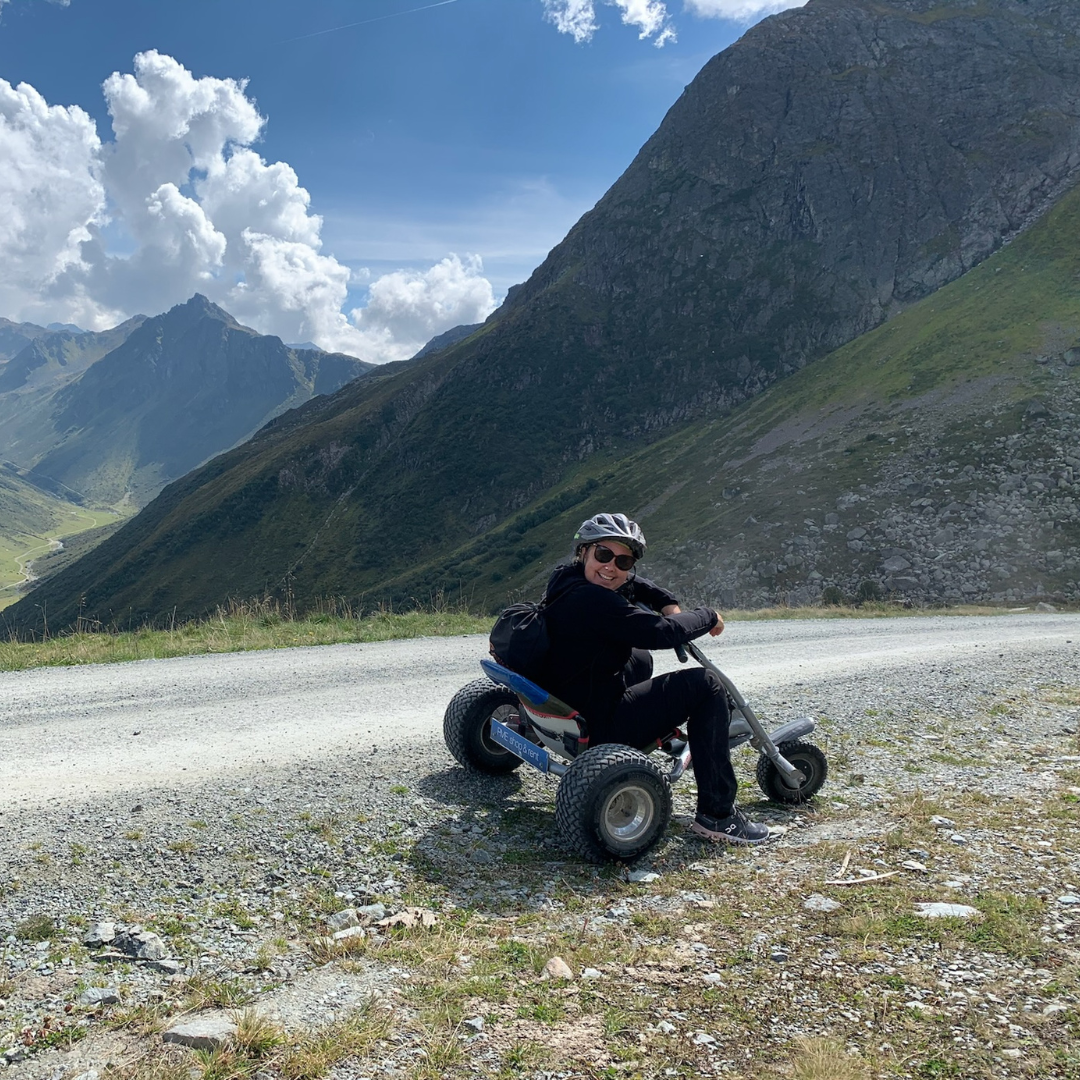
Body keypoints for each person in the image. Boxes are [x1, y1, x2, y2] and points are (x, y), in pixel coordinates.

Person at [537, 512, 769, 846]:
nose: (611, 567)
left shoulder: (566, 579)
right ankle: (718, 816)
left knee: (639, 658)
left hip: (565, 701)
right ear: (584, 550)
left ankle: (657, 722)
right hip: (599, 727)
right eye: (604, 554)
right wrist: (709, 616)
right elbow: (663, 632)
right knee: (706, 684)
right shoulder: (596, 602)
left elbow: (633, 584)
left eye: (624, 561)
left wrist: (667, 602)